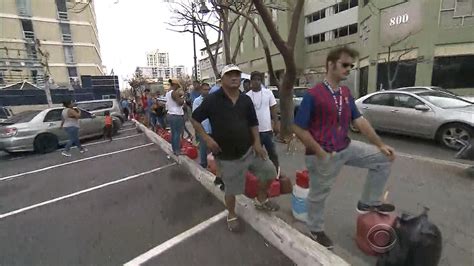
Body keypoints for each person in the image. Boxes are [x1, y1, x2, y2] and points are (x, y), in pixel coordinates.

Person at [292, 47, 396, 249]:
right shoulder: (313, 94)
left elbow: (359, 121)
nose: (349, 69)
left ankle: (369, 201)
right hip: (322, 155)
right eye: (345, 64)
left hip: (346, 147)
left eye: (351, 66)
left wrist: (380, 145)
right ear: (331, 65)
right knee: (319, 195)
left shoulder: (346, 93)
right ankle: (315, 229)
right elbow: (298, 128)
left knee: (383, 159)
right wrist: (320, 152)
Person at [192, 64, 279, 232]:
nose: (234, 78)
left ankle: (261, 200)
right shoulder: (212, 100)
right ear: (222, 79)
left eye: (237, 75)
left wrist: (257, 143)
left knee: (270, 172)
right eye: (230, 75)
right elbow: (195, 119)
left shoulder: (246, 99)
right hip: (228, 156)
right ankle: (231, 214)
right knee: (231, 190)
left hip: (249, 150)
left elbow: (253, 123)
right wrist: (207, 138)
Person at [246, 71, 280, 170]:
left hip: (267, 130)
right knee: (256, 155)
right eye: (254, 79)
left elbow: (273, 109)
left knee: (272, 153)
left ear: (261, 81)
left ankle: (276, 172)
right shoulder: (247, 96)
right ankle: (258, 175)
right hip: (254, 132)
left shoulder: (268, 93)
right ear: (251, 81)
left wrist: (276, 124)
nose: (256, 82)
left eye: (259, 79)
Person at [192, 82, 211, 168]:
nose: (206, 91)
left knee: (212, 148)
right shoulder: (197, 101)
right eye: (204, 89)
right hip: (202, 129)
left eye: (208, 90)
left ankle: (212, 165)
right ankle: (203, 164)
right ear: (201, 90)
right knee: (203, 148)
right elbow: (195, 116)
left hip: (212, 128)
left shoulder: (212, 99)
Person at [166, 79, 185, 155]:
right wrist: (183, 97)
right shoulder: (174, 93)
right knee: (177, 133)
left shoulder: (168, 92)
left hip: (170, 114)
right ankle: (177, 150)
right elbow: (180, 103)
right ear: (175, 85)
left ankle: (174, 149)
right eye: (178, 85)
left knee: (173, 133)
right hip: (176, 114)